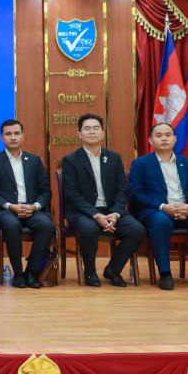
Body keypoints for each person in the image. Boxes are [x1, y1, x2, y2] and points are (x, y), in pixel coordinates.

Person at [128, 122, 188, 290]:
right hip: (157, 210)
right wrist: (163, 207)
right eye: (159, 135)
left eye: (168, 135)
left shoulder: (187, 163)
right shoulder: (141, 163)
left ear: (175, 139)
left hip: (186, 210)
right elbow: (136, 193)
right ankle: (165, 273)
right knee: (160, 222)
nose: (164, 139)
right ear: (150, 140)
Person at [59, 114, 145, 287]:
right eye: (87, 129)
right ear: (79, 134)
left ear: (103, 133)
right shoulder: (70, 160)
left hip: (111, 210)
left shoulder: (114, 158)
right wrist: (96, 215)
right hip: (84, 212)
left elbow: (122, 189)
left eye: (96, 128)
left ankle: (113, 269)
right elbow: (72, 194)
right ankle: (90, 272)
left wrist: (115, 213)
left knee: (136, 230)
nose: (92, 132)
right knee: (89, 229)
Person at [0, 119, 54, 289]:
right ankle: (19, 273)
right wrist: (10, 206)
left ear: (23, 136)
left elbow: (45, 191)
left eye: (16, 133)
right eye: (8, 134)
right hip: (5, 211)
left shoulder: (34, 160)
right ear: (2, 138)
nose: (13, 137)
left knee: (47, 225)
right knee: (12, 225)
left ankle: (31, 272)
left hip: (31, 210)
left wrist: (35, 206)